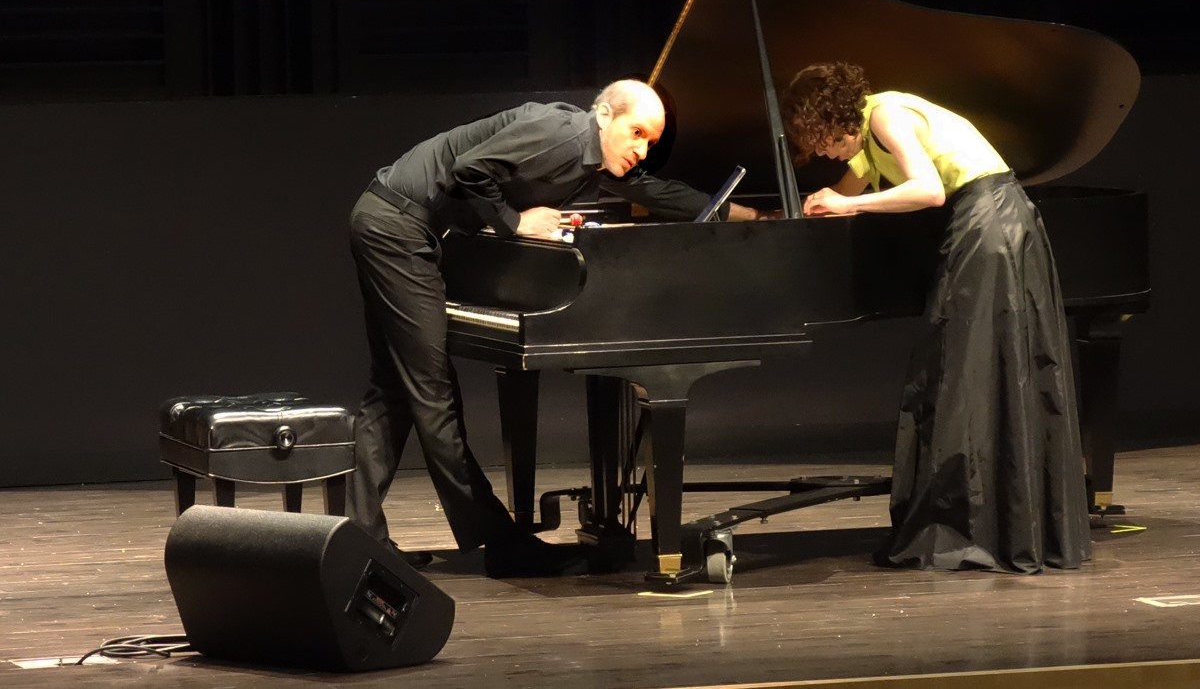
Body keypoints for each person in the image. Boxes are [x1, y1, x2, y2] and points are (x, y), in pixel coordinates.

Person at [346, 78, 760, 578]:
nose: (642, 149)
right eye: (636, 132)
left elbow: (654, 190)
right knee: (432, 394)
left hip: (392, 222)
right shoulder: (562, 134)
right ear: (604, 115)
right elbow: (469, 169)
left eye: (651, 141)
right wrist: (515, 222)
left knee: (392, 390)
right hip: (396, 229)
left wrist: (749, 215)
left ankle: (361, 539)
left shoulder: (591, 156)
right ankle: (501, 544)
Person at [779, 61, 1091, 574]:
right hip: (981, 224)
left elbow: (928, 190)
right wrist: (807, 210)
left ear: (833, 120)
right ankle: (987, 520)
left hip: (990, 223)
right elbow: (846, 190)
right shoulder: (866, 139)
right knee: (961, 372)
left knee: (967, 373)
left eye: (822, 142)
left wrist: (848, 205)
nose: (823, 154)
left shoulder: (885, 116)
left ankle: (977, 528)